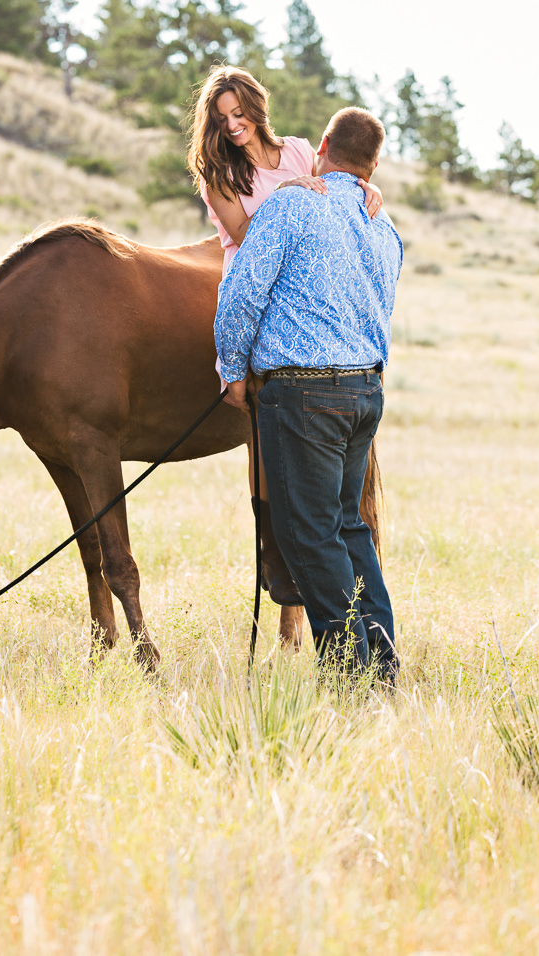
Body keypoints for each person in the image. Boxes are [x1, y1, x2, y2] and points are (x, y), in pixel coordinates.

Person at [213, 106, 403, 676]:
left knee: (311, 535)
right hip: (364, 391)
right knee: (348, 527)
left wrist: (233, 370)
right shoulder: (383, 227)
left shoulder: (293, 205)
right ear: (372, 167)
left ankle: (351, 675)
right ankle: (382, 667)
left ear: (321, 144)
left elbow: (242, 295)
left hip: (302, 394)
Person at [188, 67, 383, 607]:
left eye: (239, 113)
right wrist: (291, 198)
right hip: (257, 288)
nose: (232, 126)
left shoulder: (298, 150)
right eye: (221, 118)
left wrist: (369, 190)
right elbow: (251, 237)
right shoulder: (220, 177)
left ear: (256, 108)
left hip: (307, 298)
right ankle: (283, 557)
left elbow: (340, 188)